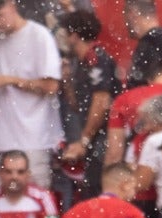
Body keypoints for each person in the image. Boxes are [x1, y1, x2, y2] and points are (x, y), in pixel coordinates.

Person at [0, 0, 62, 190]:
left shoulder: (39, 35)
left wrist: (10, 80)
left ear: (12, 6)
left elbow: (51, 85)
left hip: (33, 138)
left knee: (35, 201)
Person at [60, 12, 119, 207]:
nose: (62, 38)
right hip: (95, 139)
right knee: (91, 192)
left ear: (74, 35)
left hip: (105, 139)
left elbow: (101, 101)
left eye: (65, 33)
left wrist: (84, 141)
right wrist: (67, 80)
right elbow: (79, 105)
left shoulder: (97, 58)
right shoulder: (81, 63)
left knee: (98, 193)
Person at [124, 0, 162, 91]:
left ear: (132, 13)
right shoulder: (160, 41)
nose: (124, 21)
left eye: (125, 14)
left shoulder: (156, 43)